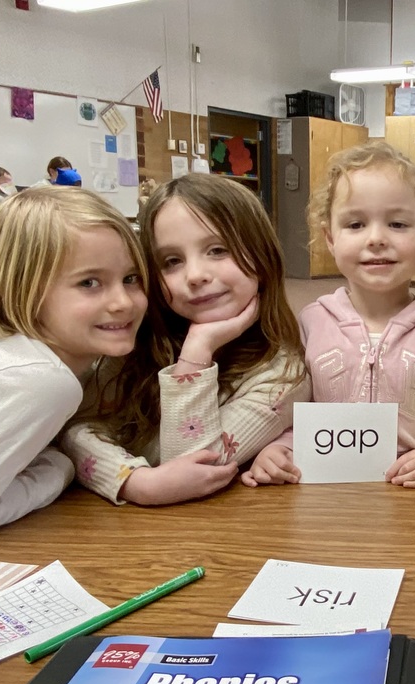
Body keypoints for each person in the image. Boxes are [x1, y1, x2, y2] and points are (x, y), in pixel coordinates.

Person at [242, 141, 415, 488]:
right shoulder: (309, 325)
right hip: (325, 498)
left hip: (414, 500)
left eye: (398, 224)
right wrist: (281, 449)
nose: (376, 238)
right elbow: (291, 410)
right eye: (356, 225)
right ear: (330, 239)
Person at [60, 173, 309, 505]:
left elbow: (195, 466)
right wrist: (132, 480)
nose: (194, 276)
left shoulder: (283, 375)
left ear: (262, 256)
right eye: (172, 261)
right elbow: (74, 428)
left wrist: (198, 350)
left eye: (218, 250)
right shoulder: (134, 344)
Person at [0, 187, 148, 545]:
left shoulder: (65, 363)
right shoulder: (40, 379)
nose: (122, 302)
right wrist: (58, 470)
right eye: (89, 283)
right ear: (23, 290)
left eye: (131, 278)